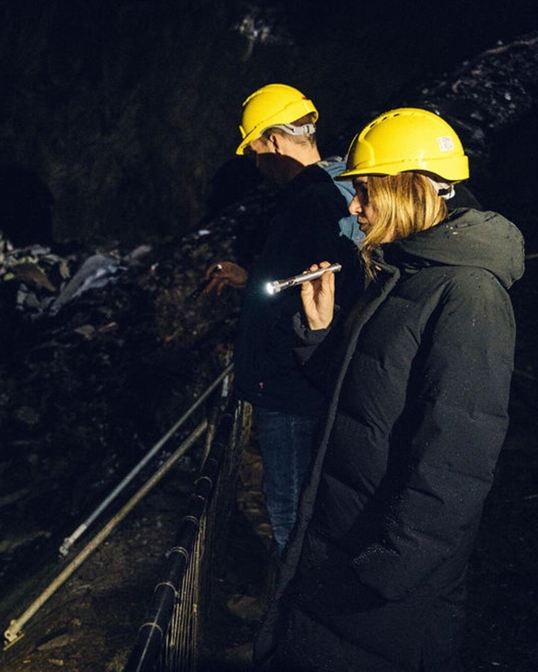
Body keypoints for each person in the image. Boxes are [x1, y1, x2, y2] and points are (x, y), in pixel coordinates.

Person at [254, 108, 525, 670]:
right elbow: (362, 401)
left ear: (410, 189)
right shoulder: (403, 275)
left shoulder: (468, 294)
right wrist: (322, 335)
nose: (354, 208)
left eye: (366, 193)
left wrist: (380, 573)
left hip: (381, 599)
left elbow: (456, 463)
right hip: (339, 551)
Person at [206, 83, 362, 556]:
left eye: (255, 150)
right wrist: (250, 276)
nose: (256, 163)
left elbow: (334, 287)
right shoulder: (336, 187)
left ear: (274, 140)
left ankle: (289, 619)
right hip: (302, 380)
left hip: (293, 388)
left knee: (292, 517)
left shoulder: (316, 201)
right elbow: (305, 278)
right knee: (307, 512)